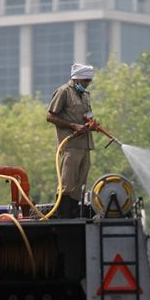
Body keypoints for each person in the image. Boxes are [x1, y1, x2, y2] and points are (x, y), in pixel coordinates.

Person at [46, 62, 101, 219]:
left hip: (85, 145)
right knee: (67, 183)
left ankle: (73, 213)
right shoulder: (63, 92)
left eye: (89, 81)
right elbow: (50, 116)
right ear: (76, 80)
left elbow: (87, 115)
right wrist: (73, 126)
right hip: (70, 145)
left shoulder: (84, 96)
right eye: (85, 81)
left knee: (80, 183)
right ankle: (63, 215)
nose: (87, 84)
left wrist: (92, 124)